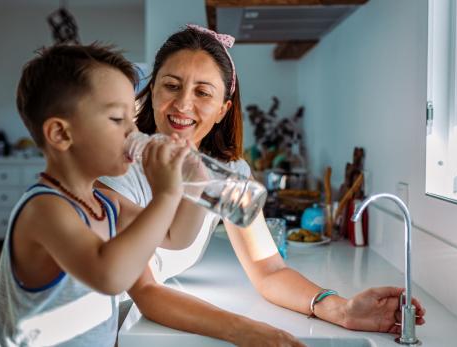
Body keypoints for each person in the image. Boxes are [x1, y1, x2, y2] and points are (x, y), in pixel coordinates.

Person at [98, 25, 426, 347]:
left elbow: (268, 270)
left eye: (202, 92)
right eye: (171, 86)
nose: (184, 104)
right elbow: (147, 292)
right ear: (152, 90)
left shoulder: (228, 173)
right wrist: (247, 330)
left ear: (223, 109)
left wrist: (341, 309)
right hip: (94, 326)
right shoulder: (116, 170)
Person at [0, 43, 206, 346]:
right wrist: (166, 194)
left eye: (132, 118)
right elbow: (109, 276)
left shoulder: (106, 203)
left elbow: (175, 237)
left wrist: (196, 185)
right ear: (61, 134)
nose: (133, 132)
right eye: (117, 119)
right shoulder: (44, 209)